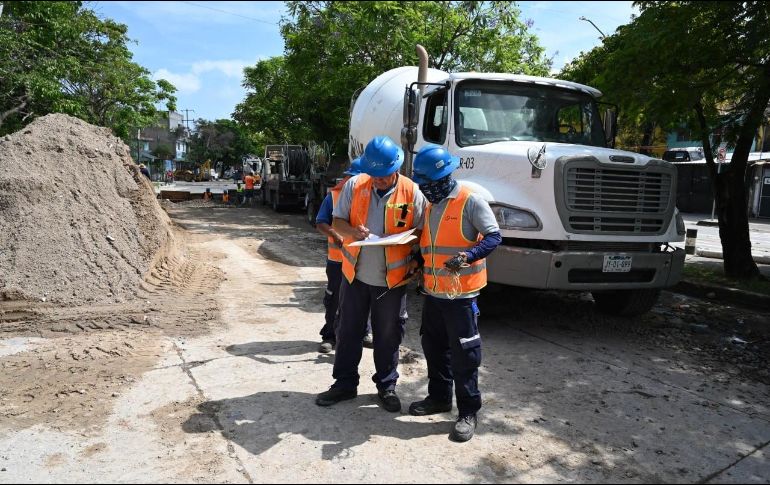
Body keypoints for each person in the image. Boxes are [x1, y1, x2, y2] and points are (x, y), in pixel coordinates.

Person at [315, 135, 427, 413]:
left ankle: (386, 386)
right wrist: (352, 231)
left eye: (383, 176)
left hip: (391, 281)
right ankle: (344, 384)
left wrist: (415, 258)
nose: (377, 181)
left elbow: (424, 233)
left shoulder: (412, 192)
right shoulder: (355, 185)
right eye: (373, 175)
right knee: (348, 331)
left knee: (388, 336)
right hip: (355, 276)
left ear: (396, 168)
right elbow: (336, 221)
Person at [407, 144, 502, 442]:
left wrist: (467, 255)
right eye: (422, 186)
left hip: (461, 298)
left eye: (429, 185)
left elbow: (494, 237)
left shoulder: (470, 201)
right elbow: (431, 246)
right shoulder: (432, 205)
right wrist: (418, 261)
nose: (425, 190)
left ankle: (468, 412)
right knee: (434, 348)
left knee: (464, 356)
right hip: (434, 293)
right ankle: (438, 398)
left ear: (445, 177)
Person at [314, 158, 373, 354]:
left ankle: (364, 332)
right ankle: (329, 335)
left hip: (363, 261)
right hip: (338, 260)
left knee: (363, 299)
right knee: (334, 299)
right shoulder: (334, 196)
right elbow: (321, 222)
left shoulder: (373, 197)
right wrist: (335, 233)